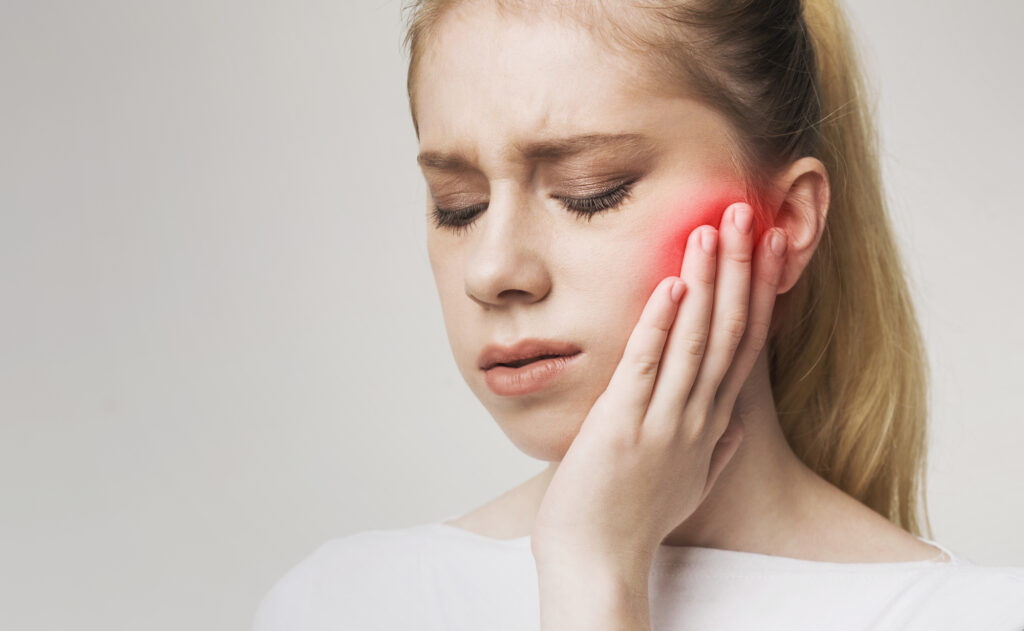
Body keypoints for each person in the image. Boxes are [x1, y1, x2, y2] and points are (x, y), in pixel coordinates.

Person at [253, 0, 1024, 629]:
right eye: (458, 207)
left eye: (590, 189)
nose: (491, 272)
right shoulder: (339, 606)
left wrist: (598, 577)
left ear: (785, 222)